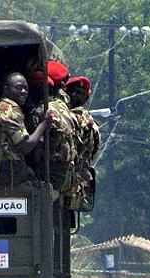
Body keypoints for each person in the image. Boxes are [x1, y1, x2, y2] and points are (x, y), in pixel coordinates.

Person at [0, 72, 50, 188]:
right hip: (5, 172)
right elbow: (25, 147)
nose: (23, 92)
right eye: (18, 88)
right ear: (6, 89)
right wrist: (44, 124)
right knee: (36, 176)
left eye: (26, 88)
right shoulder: (10, 110)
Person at [26, 61, 78, 196]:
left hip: (49, 176)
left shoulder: (40, 112)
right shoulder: (63, 108)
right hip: (66, 176)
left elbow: (36, 150)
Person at [63, 76, 100, 210]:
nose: (74, 95)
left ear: (86, 98)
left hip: (71, 180)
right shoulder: (90, 122)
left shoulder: (72, 120)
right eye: (72, 91)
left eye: (79, 92)